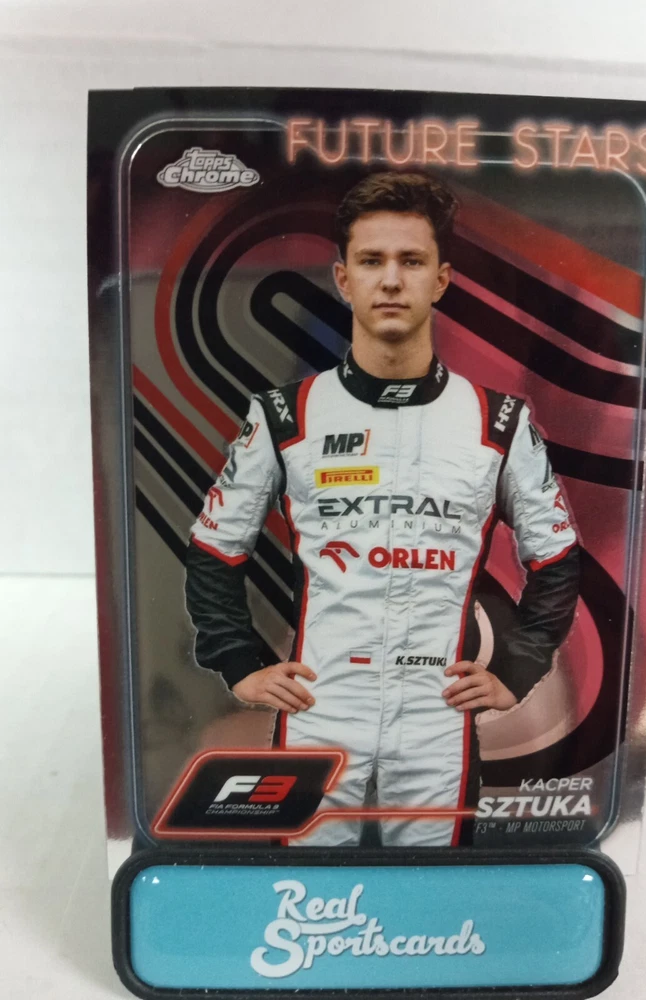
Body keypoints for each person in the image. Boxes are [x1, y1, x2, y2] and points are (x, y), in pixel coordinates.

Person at [185, 171, 579, 847]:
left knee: (430, 889)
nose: (391, 280)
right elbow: (214, 548)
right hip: (320, 702)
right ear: (343, 279)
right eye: (372, 261)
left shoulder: (499, 422)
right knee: (304, 890)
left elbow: (558, 558)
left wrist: (517, 671)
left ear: (441, 280)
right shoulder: (284, 415)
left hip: (437, 712)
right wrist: (239, 662)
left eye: (411, 261)